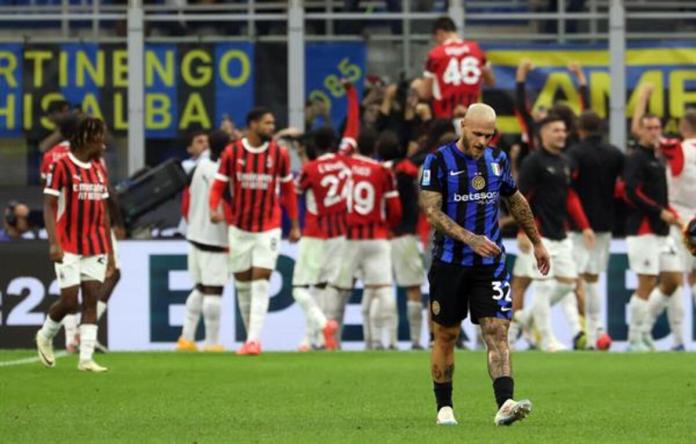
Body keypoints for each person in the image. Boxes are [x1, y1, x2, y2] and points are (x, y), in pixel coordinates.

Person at [419, 103, 550, 426]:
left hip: (489, 263)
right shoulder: (438, 161)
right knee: (446, 335)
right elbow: (432, 212)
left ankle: (505, 402)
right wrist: (470, 238)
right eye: (477, 134)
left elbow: (515, 199)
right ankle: (444, 407)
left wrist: (536, 241)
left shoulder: (497, 159)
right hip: (449, 262)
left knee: (497, 331)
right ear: (463, 125)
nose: (482, 141)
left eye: (488, 136)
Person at [209, 107, 300, 356]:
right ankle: (250, 336)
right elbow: (218, 186)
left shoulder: (279, 154)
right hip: (239, 227)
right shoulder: (232, 152)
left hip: (268, 227)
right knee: (242, 284)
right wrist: (213, 209)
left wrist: (294, 224)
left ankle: (253, 339)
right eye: (267, 123)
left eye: (273, 123)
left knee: (261, 279)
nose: (272, 127)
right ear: (253, 124)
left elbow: (289, 192)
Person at [35, 117, 115, 372]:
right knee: (70, 301)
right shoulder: (62, 165)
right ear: (88, 138)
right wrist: (53, 242)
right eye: (100, 137)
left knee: (91, 299)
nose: (104, 143)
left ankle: (86, 358)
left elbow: (103, 212)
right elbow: (48, 206)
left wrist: (110, 251)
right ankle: (45, 335)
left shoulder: (98, 169)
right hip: (68, 243)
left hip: (96, 244)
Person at [515, 114, 595, 352]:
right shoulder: (533, 162)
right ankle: (547, 339)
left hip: (561, 235)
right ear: (543, 134)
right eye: (556, 130)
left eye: (563, 130)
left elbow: (570, 197)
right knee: (542, 286)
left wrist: (585, 225)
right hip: (539, 235)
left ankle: (525, 318)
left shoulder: (565, 162)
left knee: (568, 284)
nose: (561, 134)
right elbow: (520, 199)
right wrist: (523, 231)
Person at [325, 128, 402, 350]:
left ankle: (332, 341)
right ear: (375, 148)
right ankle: (391, 342)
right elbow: (395, 209)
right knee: (382, 289)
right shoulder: (382, 171)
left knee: (339, 290)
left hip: (348, 239)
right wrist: (386, 227)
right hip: (376, 238)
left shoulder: (344, 165)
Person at [632, 85, 696, 350]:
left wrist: (643, 100)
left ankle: (644, 332)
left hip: (678, 221)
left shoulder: (677, 149)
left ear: (683, 126)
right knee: (683, 279)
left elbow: (640, 132)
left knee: (675, 279)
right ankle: (675, 339)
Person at [624, 102, 684, 351]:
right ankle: (634, 339)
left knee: (672, 279)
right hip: (642, 229)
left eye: (657, 127)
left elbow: (659, 195)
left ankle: (645, 329)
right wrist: (659, 211)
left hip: (661, 230)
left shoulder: (657, 159)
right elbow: (631, 192)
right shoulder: (637, 158)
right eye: (649, 128)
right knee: (646, 282)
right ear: (641, 131)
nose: (654, 131)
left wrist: (672, 214)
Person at [566, 111, 624, 349]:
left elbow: (568, 189)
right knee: (592, 278)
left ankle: (586, 333)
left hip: (579, 226)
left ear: (580, 130)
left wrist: (583, 223)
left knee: (573, 278)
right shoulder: (615, 153)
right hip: (606, 223)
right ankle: (596, 331)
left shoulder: (575, 154)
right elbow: (623, 187)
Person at [176, 130, 231, 352]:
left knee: (199, 288)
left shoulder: (199, 167)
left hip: (195, 235)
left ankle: (186, 339)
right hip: (214, 238)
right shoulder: (224, 173)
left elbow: (186, 201)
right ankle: (212, 342)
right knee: (213, 291)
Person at [378, 131, 426, 350]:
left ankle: (387, 341)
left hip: (380, 237)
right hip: (405, 236)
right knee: (413, 288)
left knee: (381, 288)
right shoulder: (408, 170)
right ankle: (416, 341)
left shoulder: (374, 171)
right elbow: (417, 201)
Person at [420, 16, 494, 119]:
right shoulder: (477, 49)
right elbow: (491, 82)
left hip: (445, 117)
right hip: (471, 116)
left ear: (440, 33)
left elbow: (425, 93)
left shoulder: (436, 54)